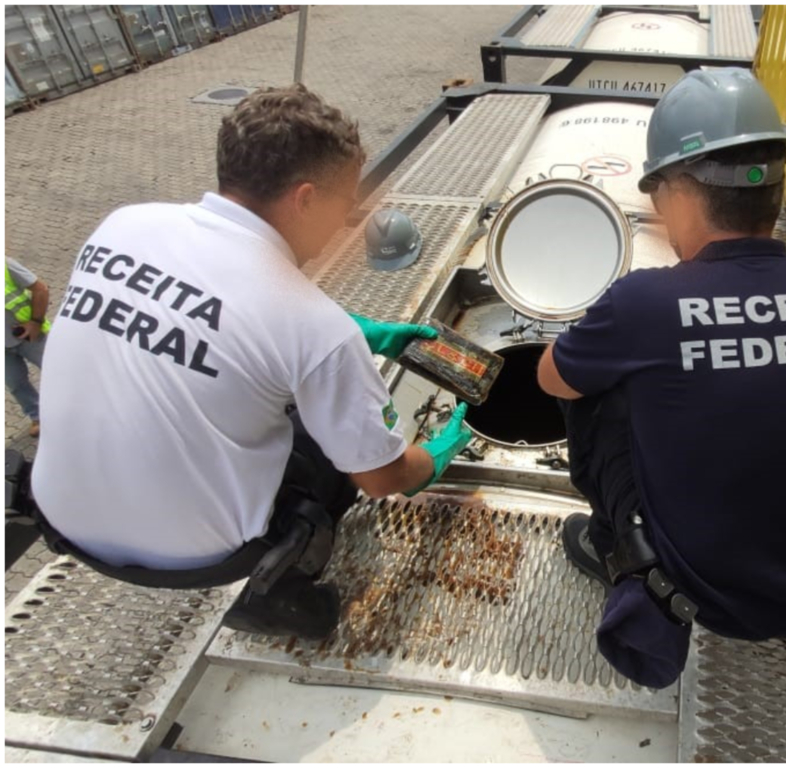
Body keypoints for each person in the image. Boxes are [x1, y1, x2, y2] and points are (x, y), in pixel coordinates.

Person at [31, 84, 471, 639]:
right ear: (306, 199)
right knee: (327, 452)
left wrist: (359, 332)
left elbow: (209, 308)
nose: (346, 225)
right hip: (194, 558)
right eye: (345, 205)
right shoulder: (315, 328)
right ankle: (276, 596)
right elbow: (381, 478)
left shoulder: (125, 223)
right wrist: (433, 455)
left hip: (61, 513)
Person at [537, 69, 786, 688]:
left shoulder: (645, 302)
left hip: (709, 596)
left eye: (658, 196)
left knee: (595, 392)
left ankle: (614, 546)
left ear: (682, 193)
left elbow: (554, 379)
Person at [5, 256, 51, 437]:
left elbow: (40, 289)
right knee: (16, 384)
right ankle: (37, 415)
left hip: (30, 336)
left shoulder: (5, 265)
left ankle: (81, 406)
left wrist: (35, 322)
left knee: (58, 371)